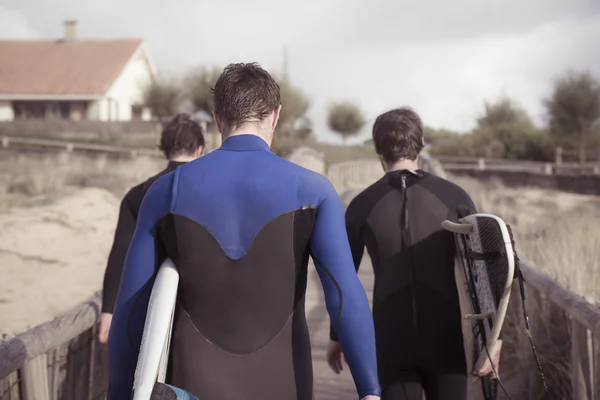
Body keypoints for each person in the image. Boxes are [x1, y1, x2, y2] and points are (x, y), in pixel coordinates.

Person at [107, 63, 381, 400]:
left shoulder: (167, 191)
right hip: (285, 383)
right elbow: (342, 295)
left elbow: (131, 310)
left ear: (218, 119)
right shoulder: (314, 191)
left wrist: (119, 392)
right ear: (276, 116)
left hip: (192, 385)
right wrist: (370, 388)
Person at [326, 107, 500, 399]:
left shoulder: (362, 205)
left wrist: (336, 335)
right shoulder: (454, 197)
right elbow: (480, 272)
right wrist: (493, 340)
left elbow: (343, 278)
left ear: (379, 150)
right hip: (445, 338)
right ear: (420, 145)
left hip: (391, 340)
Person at [98, 114, 205, 348]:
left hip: (148, 309)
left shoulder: (138, 194)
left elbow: (120, 255)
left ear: (165, 150)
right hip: (203, 309)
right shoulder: (214, 190)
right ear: (200, 150)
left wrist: (108, 311)